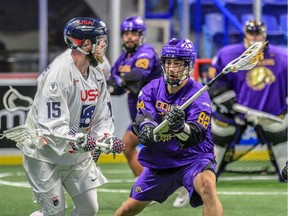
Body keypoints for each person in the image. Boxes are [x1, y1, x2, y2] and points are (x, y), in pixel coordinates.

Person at [16, 17, 124, 216]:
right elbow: (52, 127)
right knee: (54, 214)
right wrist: (82, 141)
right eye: (98, 40)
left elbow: (102, 116)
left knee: (89, 209)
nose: (103, 45)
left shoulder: (97, 72)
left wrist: (105, 138)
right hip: (45, 154)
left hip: (76, 153)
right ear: (83, 44)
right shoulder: (60, 73)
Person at [114, 38, 224, 216]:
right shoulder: (151, 89)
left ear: (188, 65)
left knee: (208, 187)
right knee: (127, 209)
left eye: (178, 63)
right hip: (161, 162)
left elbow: (196, 134)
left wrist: (180, 127)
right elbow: (142, 119)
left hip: (193, 159)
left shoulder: (199, 95)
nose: (172, 68)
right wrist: (147, 129)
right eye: (168, 63)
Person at [207, 20, 287, 179]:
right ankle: (205, 175)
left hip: (271, 114)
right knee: (221, 134)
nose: (255, 37)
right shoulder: (227, 54)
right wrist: (225, 100)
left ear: (264, 35)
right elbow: (214, 83)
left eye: (258, 33)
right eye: (251, 33)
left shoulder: (284, 57)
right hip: (235, 113)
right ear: (245, 34)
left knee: (281, 140)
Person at [107, 16, 162, 177]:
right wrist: (117, 84)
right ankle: (145, 190)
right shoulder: (122, 59)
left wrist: (120, 81)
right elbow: (113, 85)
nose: (129, 37)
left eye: (134, 33)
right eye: (126, 33)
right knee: (127, 145)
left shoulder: (147, 52)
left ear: (141, 36)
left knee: (164, 154)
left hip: (156, 111)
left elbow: (138, 76)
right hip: (138, 114)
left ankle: (189, 182)